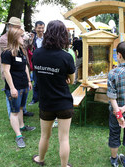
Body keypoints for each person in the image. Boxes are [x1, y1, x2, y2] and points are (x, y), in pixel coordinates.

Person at [32, 20, 75, 167]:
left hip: (46, 102)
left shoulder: (36, 54)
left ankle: (40, 159)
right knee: (64, 138)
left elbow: (37, 74)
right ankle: (64, 165)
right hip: (63, 102)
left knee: (45, 135)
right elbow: (72, 79)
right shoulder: (66, 56)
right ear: (63, 35)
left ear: (47, 33)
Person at [1, 28, 36, 148]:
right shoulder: (7, 53)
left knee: (21, 107)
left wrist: (28, 80)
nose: (24, 38)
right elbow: (6, 71)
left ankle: (22, 127)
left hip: (24, 85)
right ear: (15, 37)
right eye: (22, 36)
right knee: (14, 111)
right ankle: (18, 136)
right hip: (14, 87)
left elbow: (25, 67)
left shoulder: (21, 50)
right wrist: (12, 88)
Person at [0, 17, 34, 117]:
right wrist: (22, 38)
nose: (19, 29)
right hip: (10, 70)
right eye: (17, 27)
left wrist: (28, 39)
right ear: (10, 27)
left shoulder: (19, 38)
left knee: (21, 92)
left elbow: (26, 48)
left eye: (19, 27)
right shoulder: (4, 39)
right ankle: (13, 115)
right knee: (12, 92)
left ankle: (21, 112)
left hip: (20, 68)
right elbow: (11, 49)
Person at [29, 21, 45, 106]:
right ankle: (35, 99)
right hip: (36, 64)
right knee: (36, 83)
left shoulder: (47, 38)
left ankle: (45, 98)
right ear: (35, 28)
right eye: (39, 28)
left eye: (42, 28)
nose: (41, 30)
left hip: (46, 64)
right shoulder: (32, 38)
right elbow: (29, 49)